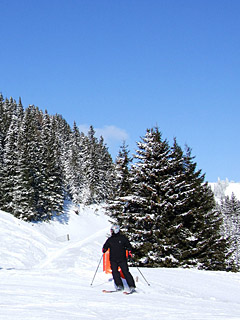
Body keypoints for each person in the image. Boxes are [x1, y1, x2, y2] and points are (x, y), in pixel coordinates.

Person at [102, 224, 136, 292]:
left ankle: (132, 286)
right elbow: (105, 246)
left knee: (125, 272)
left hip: (122, 258)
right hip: (113, 259)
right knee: (115, 272)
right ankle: (119, 285)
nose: (111, 232)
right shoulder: (110, 239)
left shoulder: (123, 238)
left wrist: (129, 251)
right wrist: (104, 249)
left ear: (116, 230)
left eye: (112, 231)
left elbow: (129, 246)